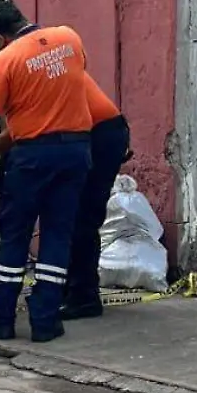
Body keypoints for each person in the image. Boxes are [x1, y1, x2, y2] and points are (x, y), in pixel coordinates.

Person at [0, 0, 94, 343]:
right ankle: (45, 321)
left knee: (14, 235)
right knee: (58, 235)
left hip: (32, 157)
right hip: (76, 151)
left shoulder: (3, 62)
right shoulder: (69, 38)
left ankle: (0, 318)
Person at [64, 79, 132, 320]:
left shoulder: (24, 66)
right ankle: (71, 289)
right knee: (72, 215)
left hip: (102, 135)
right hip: (98, 132)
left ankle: (84, 298)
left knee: (83, 217)